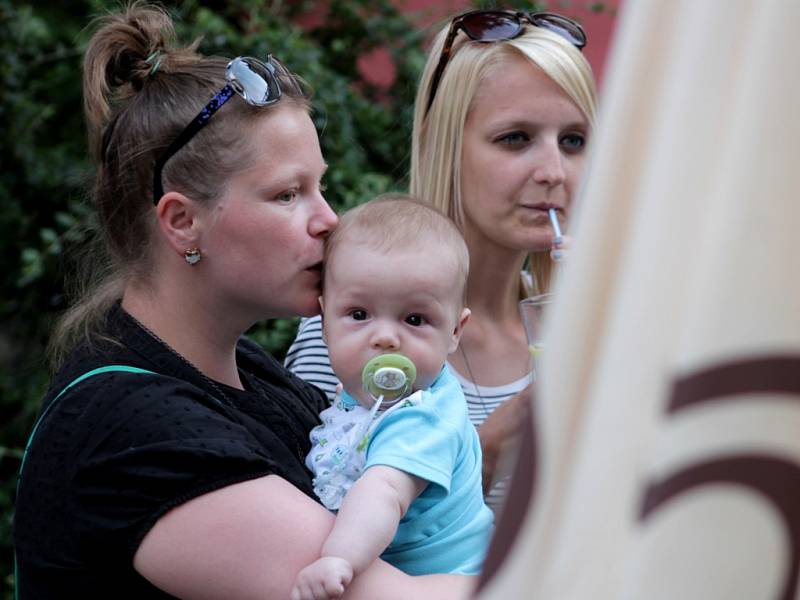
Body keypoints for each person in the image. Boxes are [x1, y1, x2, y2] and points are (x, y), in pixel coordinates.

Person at [12, 4, 474, 598]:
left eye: (321, 187)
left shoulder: (250, 376)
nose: (328, 220)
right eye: (288, 194)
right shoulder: (130, 427)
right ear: (183, 222)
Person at [285, 9, 598, 513]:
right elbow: (319, 532)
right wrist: (499, 438)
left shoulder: (582, 327)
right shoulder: (354, 332)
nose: (553, 171)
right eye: (515, 137)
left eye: (573, 140)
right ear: (446, 144)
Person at [291, 196, 493, 600]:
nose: (385, 337)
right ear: (323, 319)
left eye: (415, 319)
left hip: (450, 579)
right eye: (360, 314)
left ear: (455, 331)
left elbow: (384, 491)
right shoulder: (355, 398)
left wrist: (339, 559)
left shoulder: (423, 416)